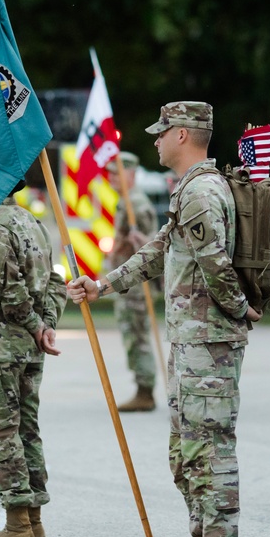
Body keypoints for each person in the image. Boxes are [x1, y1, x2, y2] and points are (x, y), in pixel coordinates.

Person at [67, 101, 261, 537]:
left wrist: (238, 308)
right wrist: (104, 285)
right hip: (192, 340)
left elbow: (215, 265)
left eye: (162, 132)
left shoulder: (199, 192)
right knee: (186, 446)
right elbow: (157, 250)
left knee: (208, 445)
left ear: (183, 135)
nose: (154, 139)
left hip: (209, 342)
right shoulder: (189, 190)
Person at [0, 170, 67, 537]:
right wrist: (46, 326)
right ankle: (34, 522)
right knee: (25, 431)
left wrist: (38, 324)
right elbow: (55, 282)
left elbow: (8, 294)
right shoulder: (32, 223)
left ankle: (17, 524)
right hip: (25, 352)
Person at [105, 151, 160, 412]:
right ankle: (142, 387)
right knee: (131, 334)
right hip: (127, 281)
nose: (112, 177)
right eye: (111, 173)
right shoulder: (125, 202)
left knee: (137, 335)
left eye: (118, 172)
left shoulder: (136, 204)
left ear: (132, 174)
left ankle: (145, 390)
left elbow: (152, 242)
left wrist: (140, 240)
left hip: (136, 285)